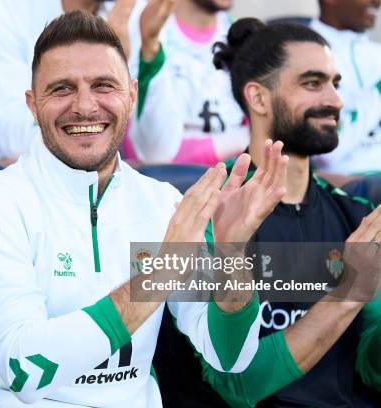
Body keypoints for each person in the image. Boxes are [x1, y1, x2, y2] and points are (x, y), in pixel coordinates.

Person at [0, 11, 290, 407]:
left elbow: (229, 356)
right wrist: (159, 276)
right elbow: (25, 367)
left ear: (131, 95)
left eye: (103, 85)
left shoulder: (163, 204)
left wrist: (231, 257)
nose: (85, 106)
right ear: (32, 104)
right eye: (61, 89)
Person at [154, 18, 381, 407]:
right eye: (313, 83)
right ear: (258, 98)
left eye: (335, 84)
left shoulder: (357, 215)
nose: (336, 100)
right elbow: (236, 384)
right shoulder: (197, 214)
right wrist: (346, 293)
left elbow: (372, 371)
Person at [0, 0, 142, 166]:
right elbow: (14, 139)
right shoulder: (3, 7)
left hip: (79, 175)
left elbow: (155, 150)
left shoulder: (135, 12)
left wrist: (149, 46)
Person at [125, 0, 249, 165]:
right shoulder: (143, 26)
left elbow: (261, 136)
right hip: (166, 184)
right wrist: (238, 143)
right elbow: (151, 154)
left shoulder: (241, 34)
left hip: (233, 182)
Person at [310, 0, 381, 175]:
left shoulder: (376, 52)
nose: (377, 2)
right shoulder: (301, 53)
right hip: (341, 186)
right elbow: (325, 151)